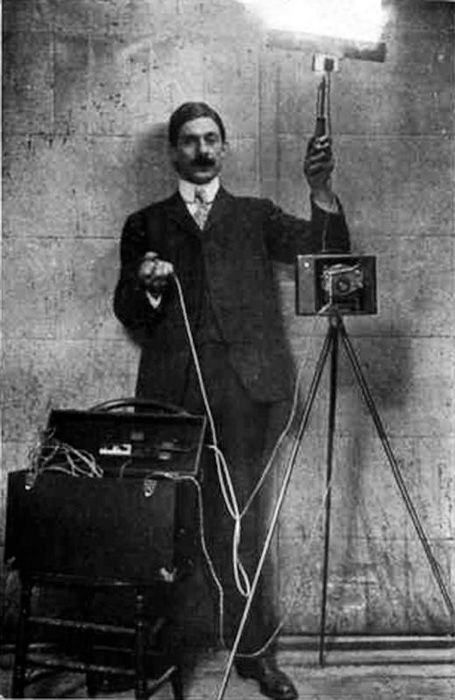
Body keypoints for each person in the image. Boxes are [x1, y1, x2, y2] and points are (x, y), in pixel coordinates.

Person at [113, 101, 350, 700]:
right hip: (174, 401)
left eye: (211, 138)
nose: (201, 149)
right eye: (189, 141)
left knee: (245, 524)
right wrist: (146, 284)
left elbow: (324, 252)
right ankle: (168, 651)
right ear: (174, 151)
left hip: (248, 397)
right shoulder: (145, 223)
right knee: (168, 527)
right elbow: (130, 313)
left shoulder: (255, 217)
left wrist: (319, 189)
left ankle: (255, 654)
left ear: (224, 146)